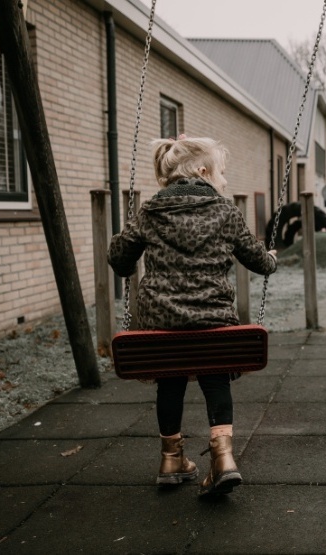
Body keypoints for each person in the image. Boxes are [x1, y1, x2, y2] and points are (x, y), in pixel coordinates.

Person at [108, 136, 277, 498]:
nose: (225, 181)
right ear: (203, 172)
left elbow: (120, 261)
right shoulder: (225, 211)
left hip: (161, 325)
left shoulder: (149, 212)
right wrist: (272, 257)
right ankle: (224, 458)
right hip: (213, 323)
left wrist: (119, 242)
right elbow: (259, 262)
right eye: (222, 173)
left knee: (170, 382)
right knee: (216, 380)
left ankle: (171, 460)